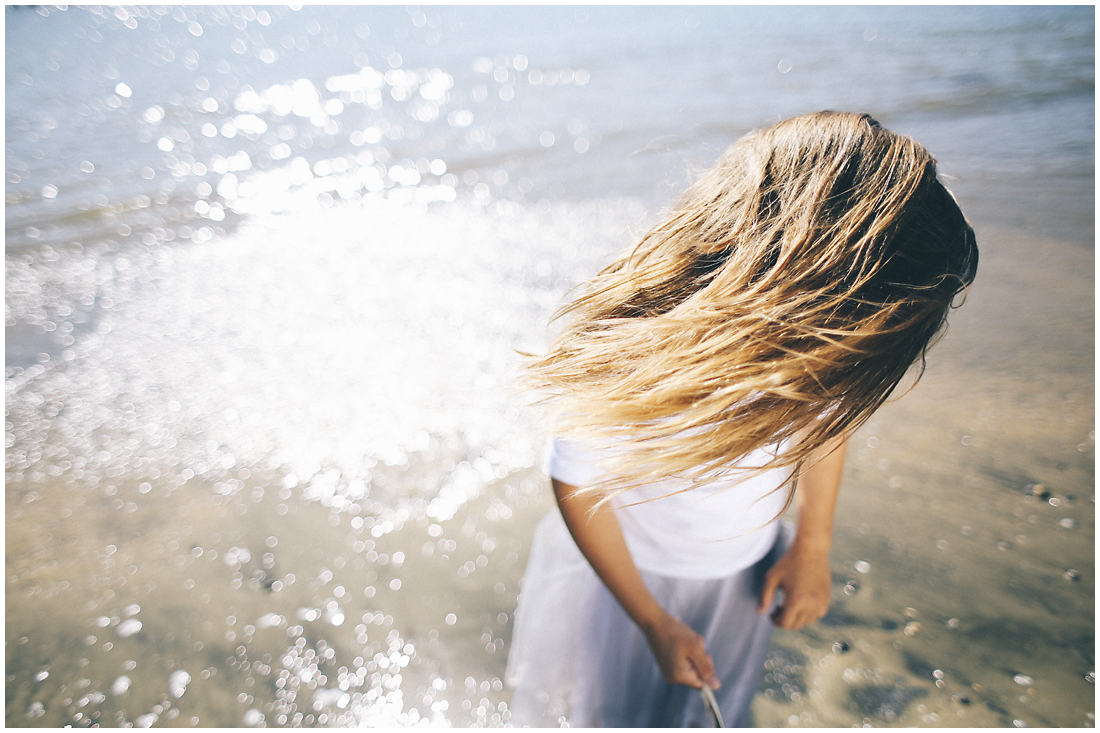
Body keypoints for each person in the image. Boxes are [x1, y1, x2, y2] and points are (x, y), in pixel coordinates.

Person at [504, 111, 978, 727]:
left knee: (713, 705)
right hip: (635, 579)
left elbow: (824, 432)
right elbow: (576, 481)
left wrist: (812, 543)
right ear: (810, 283)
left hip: (743, 571)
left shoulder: (824, 347)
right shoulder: (640, 346)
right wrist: (651, 619)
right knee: (617, 710)